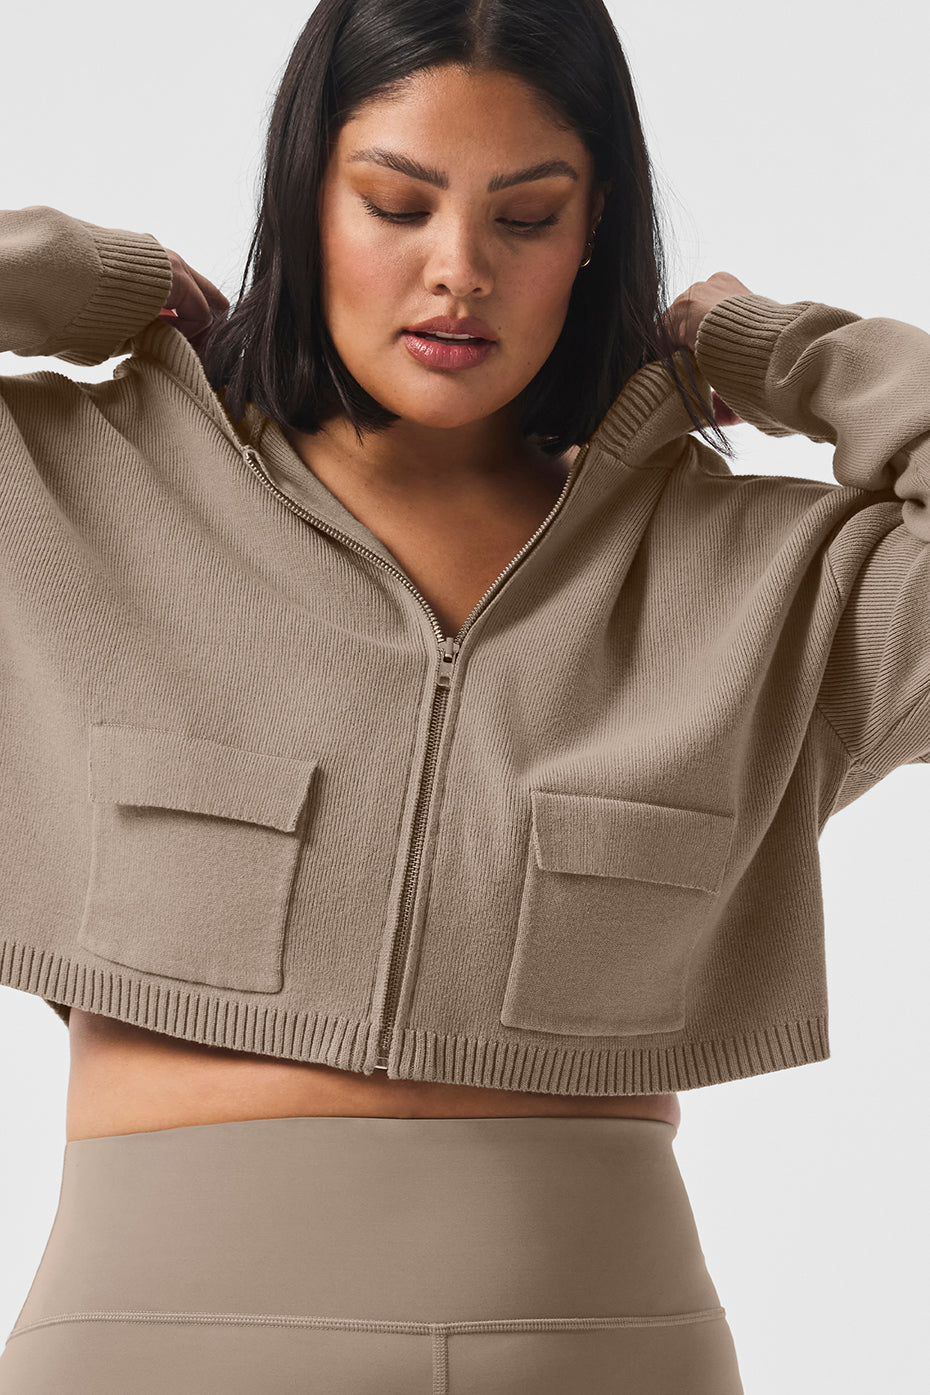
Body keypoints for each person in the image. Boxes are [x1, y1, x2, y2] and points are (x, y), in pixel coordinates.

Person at [3, 1, 928, 1391]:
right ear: (302, 196)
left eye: (526, 218)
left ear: (597, 228)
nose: (458, 273)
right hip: (155, 1353)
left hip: (606, 1355)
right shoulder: (74, 491)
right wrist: (93, 280)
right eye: (394, 203)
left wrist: (765, 347)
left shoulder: (753, 579)